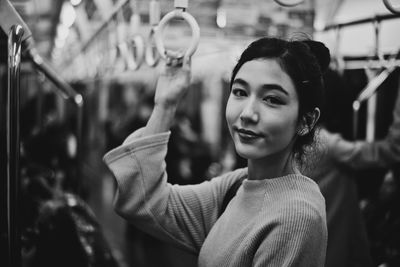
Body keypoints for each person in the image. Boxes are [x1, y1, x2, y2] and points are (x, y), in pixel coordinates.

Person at [103, 37, 330, 266]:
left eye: (271, 99)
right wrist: (165, 105)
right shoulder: (235, 187)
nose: (247, 113)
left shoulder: (295, 217)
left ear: (307, 121)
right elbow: (143, 201)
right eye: (240, 92)